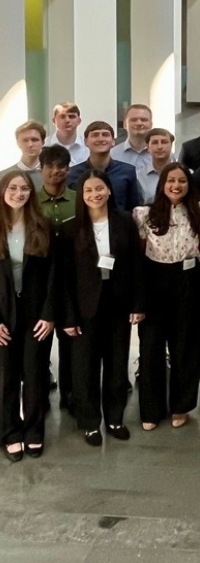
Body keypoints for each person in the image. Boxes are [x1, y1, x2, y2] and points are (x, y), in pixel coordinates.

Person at [59, 170, 146, 446]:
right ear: (81, 196)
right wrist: (69, 316)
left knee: (117, 363)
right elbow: (66, 278)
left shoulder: (124, 222)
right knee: (84, 367)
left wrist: (137, 303)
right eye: (88, 190)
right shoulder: (72, 228)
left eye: (99, 188)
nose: (94, 194)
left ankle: (114, 418)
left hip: (118, 301)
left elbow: (135, 265)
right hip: (85, 307)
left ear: (109, 191)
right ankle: (89, 423)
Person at [133, 163, 200, 431]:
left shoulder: (199, 214)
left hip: (188, 280)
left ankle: (181, 405)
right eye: (171, 180)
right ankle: (151, 409)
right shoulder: (144, 214)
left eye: (182, 181)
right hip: (154, 281)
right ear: (162, 183)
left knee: (185, 347)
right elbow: (139, 256)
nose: (176, 186)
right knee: (151, 347)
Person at [0, 171, 54, 462]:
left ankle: (34, 431)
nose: (18, 193)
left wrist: (49, 314)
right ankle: (9, 432)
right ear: (2, 191)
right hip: (2, 314)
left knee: (34, 374)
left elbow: (53, 276)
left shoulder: (41, 226)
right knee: (6, 375)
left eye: (24, 189)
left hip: (36, 314)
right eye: (12, 187)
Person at [37, 146, 77, 411]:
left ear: (68, 169)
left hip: (73, 283)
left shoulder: (79, 199)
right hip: (38, 285)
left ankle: (71, 396)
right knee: (38, 343)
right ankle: (38, 396)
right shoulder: (29, 201)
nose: (55, 171)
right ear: (40, 170)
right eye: (50, 166)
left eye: (61, 166)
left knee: (72, 344)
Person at [66, 122, 142, 211]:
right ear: (85, 142)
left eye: (105, 135)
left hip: (120, 223)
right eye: (95, 135)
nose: (100, 139)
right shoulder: (73, 173)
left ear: (113, 141)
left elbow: (133, 208)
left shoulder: (128, 172)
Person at [1, 121, 46, 190]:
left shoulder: (51, 176)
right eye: (25, 140)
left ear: (43, 142)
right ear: (18, 143)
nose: (30, 144)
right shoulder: (3, 176)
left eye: (34, 140)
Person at [137, 128, 175, 205]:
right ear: (147, 147)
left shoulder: (186, 174)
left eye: (164, 142)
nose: (160, 147)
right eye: (155, 143)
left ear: (171, 145)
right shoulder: (138, 176)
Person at [110, 104, 153, 169]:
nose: (139, 123)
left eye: (144, 120)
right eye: (134, 120)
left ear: (151, 124)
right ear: (124, 124)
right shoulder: (113, 155)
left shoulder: (164, 154)